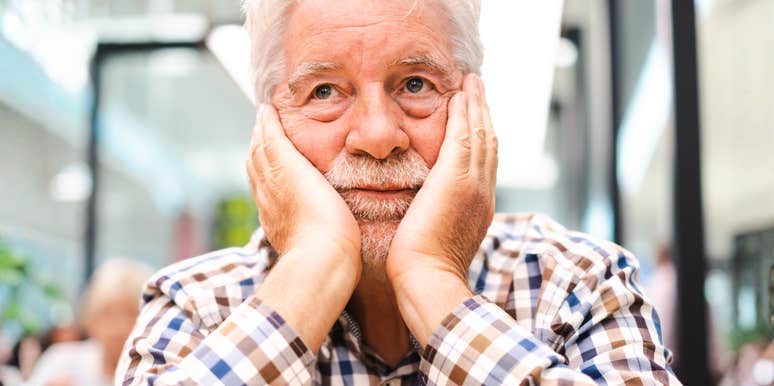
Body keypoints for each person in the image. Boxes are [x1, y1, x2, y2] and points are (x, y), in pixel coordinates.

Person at [117, 0, 681, 384]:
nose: (378, 137)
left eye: (415, 84)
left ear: (471, 106)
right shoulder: (192, 308)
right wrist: (311, 271)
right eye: (324, 91)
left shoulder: (580, 285)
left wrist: (433, 280)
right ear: (270, 126)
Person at [27, 259, 151, 386]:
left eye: (131, 314)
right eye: (108, 313)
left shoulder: (159, 375)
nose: (119, 327)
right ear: (92, 316)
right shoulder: (62, 363)